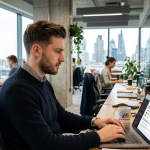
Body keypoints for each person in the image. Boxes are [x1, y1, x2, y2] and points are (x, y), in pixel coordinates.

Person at [0, 20, 125, 150]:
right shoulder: (17, 90)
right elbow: (47, 144)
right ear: (37, 50)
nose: (63, 58)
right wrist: (98, 136)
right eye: (57, 51)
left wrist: (95, 121)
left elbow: (62, 117)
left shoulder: (42, 82)